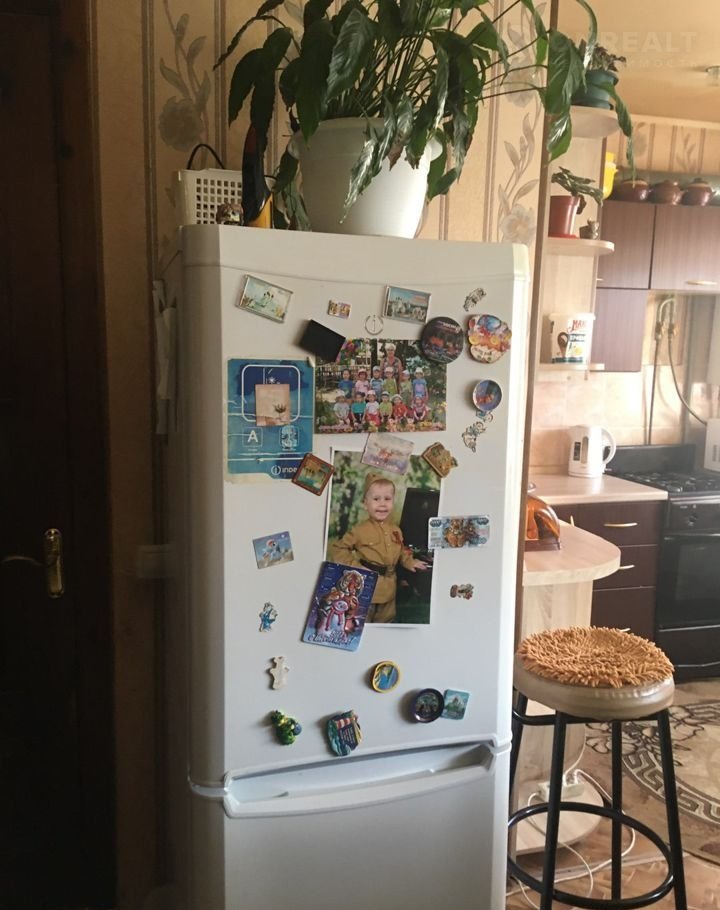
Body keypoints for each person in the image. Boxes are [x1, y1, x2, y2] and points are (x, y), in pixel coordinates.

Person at [331, 474, 429, 623]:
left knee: (386, 622)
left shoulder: (396, 530)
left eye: (387, 499)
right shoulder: (359, 530)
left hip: (390, 589)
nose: (382, 504)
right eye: (376, 499)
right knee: (361, 622)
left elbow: (402, 550)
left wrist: (410, 562)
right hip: (367, 588)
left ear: (393, 502)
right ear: (365, 504)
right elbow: (338, 549)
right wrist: (356, 569)